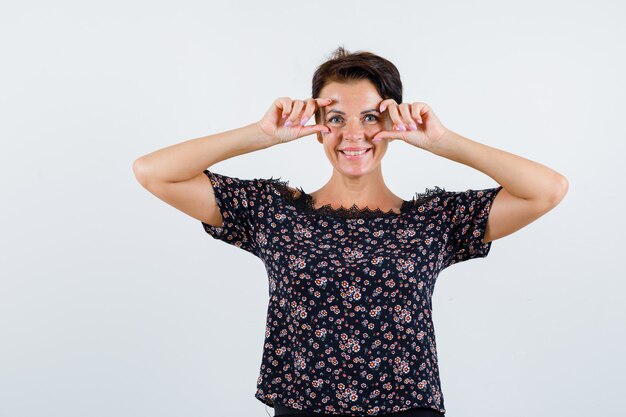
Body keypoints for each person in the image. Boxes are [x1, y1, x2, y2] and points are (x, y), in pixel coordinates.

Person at [133, 46, 568, 416]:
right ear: (315, 124)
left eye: (370, 117)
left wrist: (442, 142)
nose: (353, 134)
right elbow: (153, 173)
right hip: (299, 406)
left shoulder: (434, 221)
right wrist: (262, 134)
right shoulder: (275, 213)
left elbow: (547, 190)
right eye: (336, 118)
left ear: (393, 123)